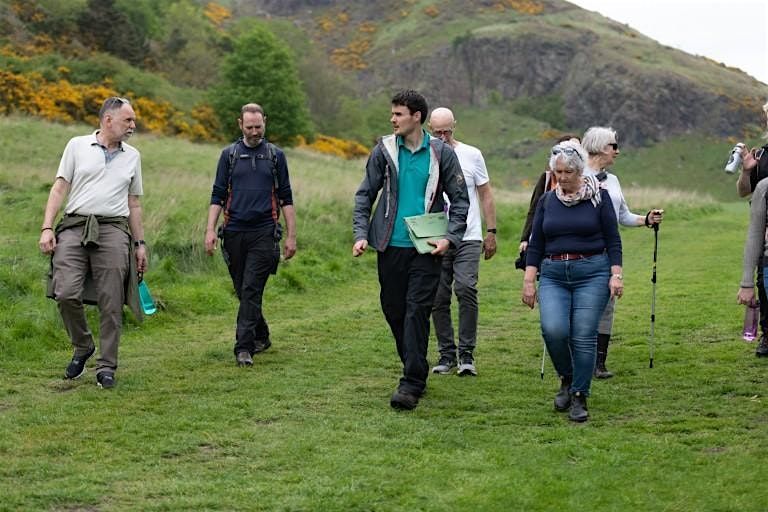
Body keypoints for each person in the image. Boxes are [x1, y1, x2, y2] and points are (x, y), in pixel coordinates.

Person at [353, 90, 469, 410]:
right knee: (394, 309)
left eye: (398, 114)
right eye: (392, 114)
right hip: (389, 246)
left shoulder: (442, 153)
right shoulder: (384, 151)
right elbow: (365, 195)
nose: (393, 119)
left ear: (416, 116)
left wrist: (450, 238)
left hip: (427, 247)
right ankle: (414, 365)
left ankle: (412, 382)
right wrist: (361, 234)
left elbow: (460, 201)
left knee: (417, 310)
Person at [39, 96, 147, 389]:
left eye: (133, 120)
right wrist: (48, 227)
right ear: (108, 120)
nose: (133, 125)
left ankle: (106, 366)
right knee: (65, 292)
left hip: (113, 229)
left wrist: (140, 244)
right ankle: (83, 345)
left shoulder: (132, 156)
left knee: (111, 301)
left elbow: (133, 203)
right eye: (128, 120)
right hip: (74, 226)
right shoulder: (77, 146)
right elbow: (60, 186)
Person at [521, 140, 622, 422]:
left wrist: (616, 275)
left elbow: (614, 240)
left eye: (567, 173)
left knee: (583, 334)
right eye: (558, 173)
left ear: (579, 172)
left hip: (593, 271)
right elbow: (536, 242)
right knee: (553, 330)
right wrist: (529, 281)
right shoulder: (547, 201)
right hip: (553, 273)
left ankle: (580, 395)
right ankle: (566, 377)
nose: (562, 178)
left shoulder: (598, 199)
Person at [205, 103, 296, 367]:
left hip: (265, 233)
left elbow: (286, 197)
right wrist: (210, 229)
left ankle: (243, 347)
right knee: (243, 290)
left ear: (265, 122)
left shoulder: (276, 156)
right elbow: (217, 195)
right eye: (249, 127)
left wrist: (291, 236)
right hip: (233, 232)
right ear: (240, 125)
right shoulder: (229, 155)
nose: (255, 132)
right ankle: (262, 334)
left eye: (258, 127)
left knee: (251, 288)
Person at [581, 126, 664, 378]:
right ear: (598, 147)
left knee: (607, 304)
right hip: (580, 251)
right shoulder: (575, 174)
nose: (617, 151)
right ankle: (578, 359)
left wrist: (647, 219)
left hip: (608, 251)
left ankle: (599, 363)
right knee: (582, 305)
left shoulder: (613, 181)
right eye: (613, 146)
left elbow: (623, 216)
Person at [427, 107, 497, 377]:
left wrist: (491, 231)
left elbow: (485, 194)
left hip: (468, 235)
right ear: (430, 129)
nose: (443, 137)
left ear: (454, 126)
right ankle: (446, 354)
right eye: (437, 132)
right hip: (436, 235)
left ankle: (466, 353)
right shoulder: (426, 155)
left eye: (447, 131)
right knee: (437, 295)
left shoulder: (472, 155)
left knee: (466, 288)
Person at [735, 100, 768, 357]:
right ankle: (766, 334)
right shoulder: (761, 155)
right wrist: (746, 172)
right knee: (762, 283)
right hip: (763, 231)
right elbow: (746, 191)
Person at [518, 134, 582, 258]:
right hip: (549, 235)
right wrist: (525, 238)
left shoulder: (590, 183)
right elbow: (534, 209)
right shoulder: (547, 178)